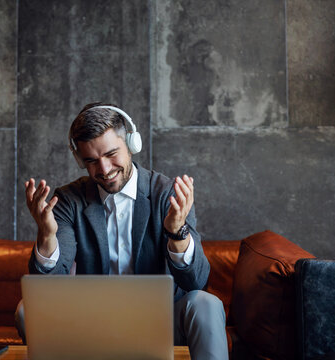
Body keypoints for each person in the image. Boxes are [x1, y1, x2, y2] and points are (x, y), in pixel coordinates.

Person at [16, 103, 228, 360]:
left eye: (111, 154)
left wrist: (176, 232)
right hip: (90, 325)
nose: (104, 170)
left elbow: (195, 282)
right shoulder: (68, 200)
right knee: (28, 310)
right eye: (91, 161)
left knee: (207, 304)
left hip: (161, 321)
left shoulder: (167, 193)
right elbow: (46, 289)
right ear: (80, 160)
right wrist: (47, 236)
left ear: (131, 143)